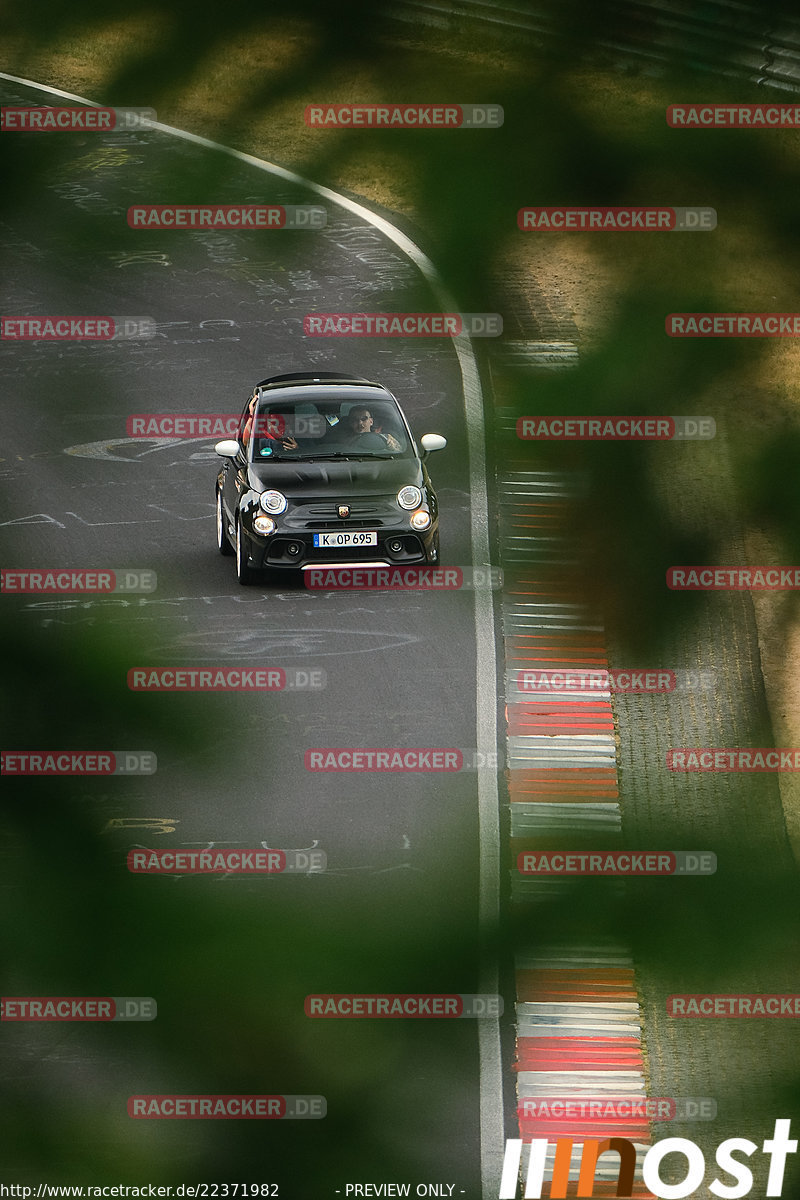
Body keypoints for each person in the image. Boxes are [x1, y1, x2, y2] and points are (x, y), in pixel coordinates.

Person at [337, 406, 401, 451]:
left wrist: (392, 448)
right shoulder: (341, 441)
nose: (360, 423)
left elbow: (399, 453)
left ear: (371, 421)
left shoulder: (386, 438)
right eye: (355, 420)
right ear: (350, 423)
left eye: (364, 419)